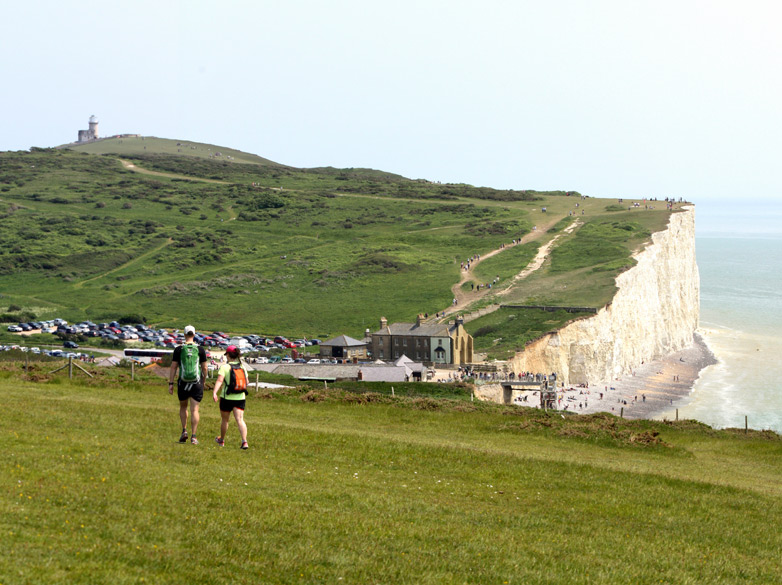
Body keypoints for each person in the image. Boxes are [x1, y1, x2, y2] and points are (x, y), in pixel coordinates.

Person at [169, 325, 208, 445]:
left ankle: (184, 431)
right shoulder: (200, 349)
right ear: (194, 335)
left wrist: (171, 383)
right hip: (196, 383)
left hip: (183, 382)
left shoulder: (179, 349)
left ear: (184, 335)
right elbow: (205, 367)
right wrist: (203, 380)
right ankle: (194, 436)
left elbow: (174, 367)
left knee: (183, 407)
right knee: (195, 409)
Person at [212, 345, 250, 449]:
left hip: (226, 397)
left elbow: (220, 381)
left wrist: (214, 392)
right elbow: (247, 382)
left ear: (228, 355)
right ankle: (244, 441)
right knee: (240, 420)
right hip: (240, 397)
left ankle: (222, 440)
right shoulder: (242, 367)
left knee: (225, 420)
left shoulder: (224, 367)